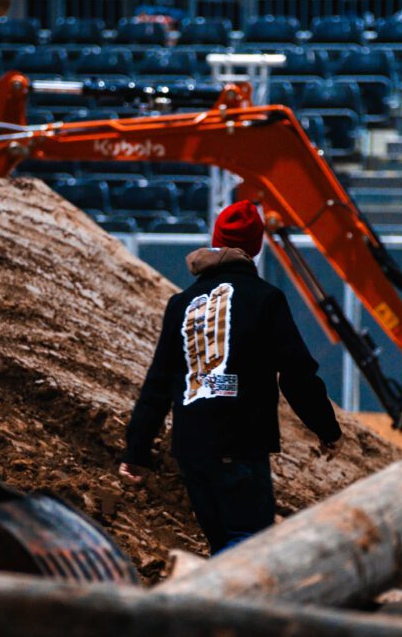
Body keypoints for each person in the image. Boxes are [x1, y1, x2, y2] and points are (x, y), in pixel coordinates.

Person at [119, 200, 343, 553]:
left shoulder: (182, 303)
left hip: (192, 449)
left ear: (215, 239)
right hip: (240, 444)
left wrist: (136, 451)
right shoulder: (265, 299)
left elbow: (159, 382)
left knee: (223, 543)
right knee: (246, 548)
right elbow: (297, 374)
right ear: (255, 247)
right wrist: (327, 429)